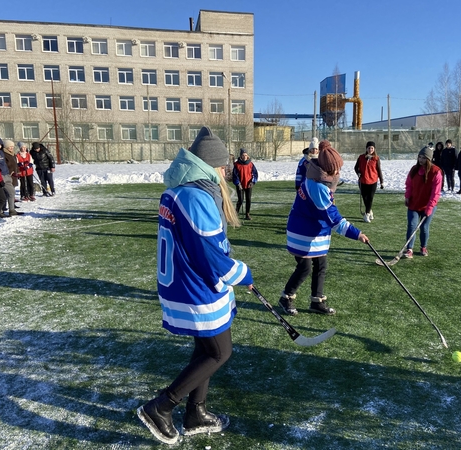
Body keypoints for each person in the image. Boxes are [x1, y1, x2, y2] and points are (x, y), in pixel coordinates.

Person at [137, 126, 254, 445]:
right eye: (222, 167)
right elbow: (209, 255)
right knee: (219, 352)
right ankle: (161, 407)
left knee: (206, 349)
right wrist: (241, 274)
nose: (225, 173)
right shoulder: (195, 195)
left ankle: (196, 413)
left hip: (186, 283)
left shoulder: (180, 191)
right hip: (195, 288)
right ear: (211, 166)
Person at [279, 140, 369, 316]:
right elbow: (333, 218)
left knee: (321, 264)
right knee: (305, 267)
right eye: (336, 169)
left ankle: (316, 301)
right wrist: (356, 234)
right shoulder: (317, 186)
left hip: (314, 232)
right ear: (328, 169)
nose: (338, 172)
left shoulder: (316, 177)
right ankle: (286, 297)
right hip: (302, 233)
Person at [403, 146, 442, 258]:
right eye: (420, 157)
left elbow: (436, 193)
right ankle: (409, 249)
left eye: (424, 158)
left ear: (429, 159)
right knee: (412, 225)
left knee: (424, 227)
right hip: (414, 204)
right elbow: (409, 184)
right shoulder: (414, 169)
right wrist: (407, 196)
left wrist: (429, 207)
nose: (421, 160)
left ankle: (423, 246)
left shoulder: (436, 172)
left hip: (428, 205)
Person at [354, 140, 384, 222]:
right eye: (369, 148)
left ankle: (366, 214)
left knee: (370, 198)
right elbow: (356, 167)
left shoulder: (376, 159)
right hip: (363, 181)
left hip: (373, 181)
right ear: (366, 148)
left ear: (374, 149)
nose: (370, 149)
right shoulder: (361, 157)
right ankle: (369, 210)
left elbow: (379, 170)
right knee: (365, 198)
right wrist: (358, 173)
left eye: (372, 148)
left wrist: (381, 181)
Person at [232, 148, 258, 220]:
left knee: (248, 200)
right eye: (243, 155)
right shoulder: (237, 165)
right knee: (240, 199)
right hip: (240, 185)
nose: (244, 156)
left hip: (248, 185)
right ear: (240, 156)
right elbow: (235, 175)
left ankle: (247, 214)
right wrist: (238, 183)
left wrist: (253, 182)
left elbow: (255, 174)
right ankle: (236, 213)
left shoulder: (250, 164)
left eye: (246, 155)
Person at [2, 140, 24, 216]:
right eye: (10, 146)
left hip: (13, 176)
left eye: (12, 146)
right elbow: (3, 166)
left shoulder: (13, 154)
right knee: (7, 193)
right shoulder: (4, 154)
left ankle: (11, 208)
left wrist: (17, 171)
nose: (11, 148)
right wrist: (10, 172)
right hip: (7, 176)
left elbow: (15, 164)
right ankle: (3, 208)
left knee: (11, 192)